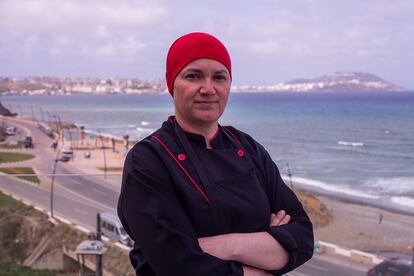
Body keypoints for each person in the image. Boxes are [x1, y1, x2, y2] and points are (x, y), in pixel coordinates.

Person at [117, 32, 314, 276]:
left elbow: (303, 238)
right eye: (193, 76)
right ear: (171, 85)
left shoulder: (249, 148)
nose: (208, 89)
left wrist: (227, 246)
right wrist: (265, 249)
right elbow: (178, 267)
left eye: (219, 77)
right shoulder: (148, 160)